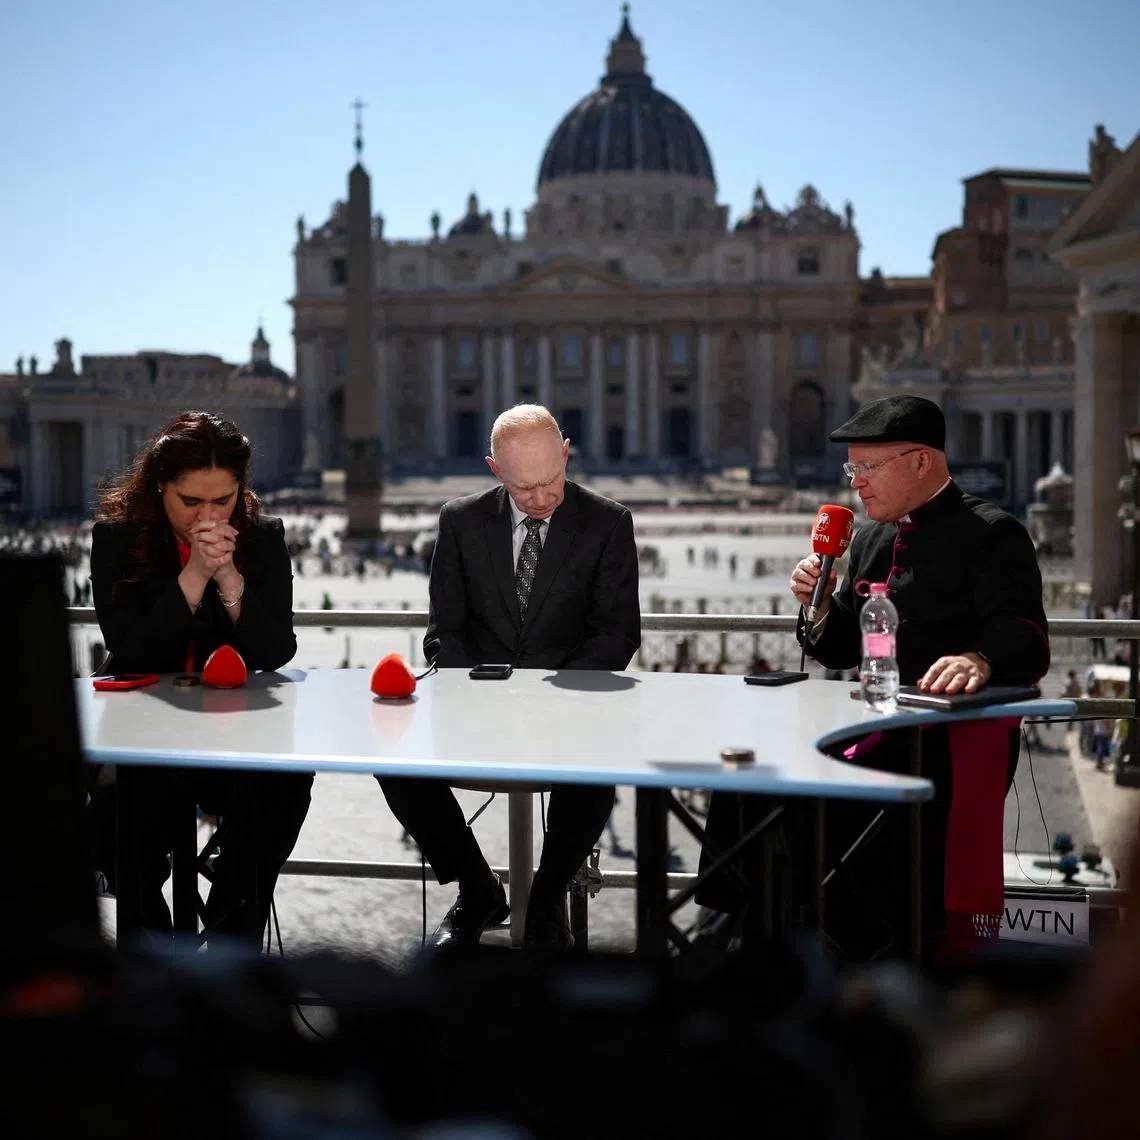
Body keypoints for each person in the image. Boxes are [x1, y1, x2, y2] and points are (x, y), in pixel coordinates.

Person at [697, 395, 1050, 962]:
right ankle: (741, 921)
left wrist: (980, 659)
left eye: (867, 468)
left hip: (940, 738)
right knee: (746, 777)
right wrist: (816, 604)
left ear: (921, 462)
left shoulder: (991, 533)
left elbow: (1026, 635)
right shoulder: (868, 539)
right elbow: (838, 646)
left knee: (815, 806)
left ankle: (832, 934)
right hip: (866, 723)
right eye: (851, 469)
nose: (856, 484)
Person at [376, 405, 640, 950]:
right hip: (478, 704)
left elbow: (616, 635)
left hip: (567, 709)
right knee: (390, 760)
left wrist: (549, 694)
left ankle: (546, 899)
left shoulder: (610, 522)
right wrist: (479, 689)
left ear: (566, 453)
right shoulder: (460, 520)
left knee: (594, 774)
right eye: (524, 489)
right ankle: (476, 887)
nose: (542, 499)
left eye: (551, 481)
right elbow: (442, 630)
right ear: (495, 470)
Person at [88, 411, 313, 942]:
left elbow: (277, 649)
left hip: (229, 736)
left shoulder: (262, 538)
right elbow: (133, 651)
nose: (207, 515)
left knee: (286, 788)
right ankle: (157, 958)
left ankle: (231, 938)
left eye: (224, 499)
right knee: (123, 830)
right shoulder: (115, 540)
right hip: (146, 738)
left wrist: (231, 580)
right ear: (158, 486)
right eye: (191, 501)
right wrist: (193, 578)